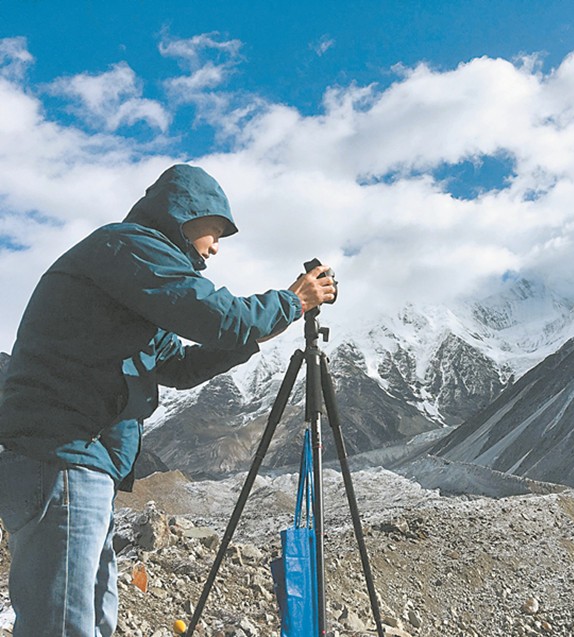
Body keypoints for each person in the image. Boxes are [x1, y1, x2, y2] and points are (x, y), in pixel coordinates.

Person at [0, 164, 336, 637]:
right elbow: (216, 317)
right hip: (63, 457)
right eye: (214, 231)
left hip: (77, 461)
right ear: (184, 215)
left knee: (92, 618)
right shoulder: (130, 248)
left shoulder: (132, 277)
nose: (215, 247)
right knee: (63, 626)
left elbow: (176, 366)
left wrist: (257, 332)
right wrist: (289, 302)